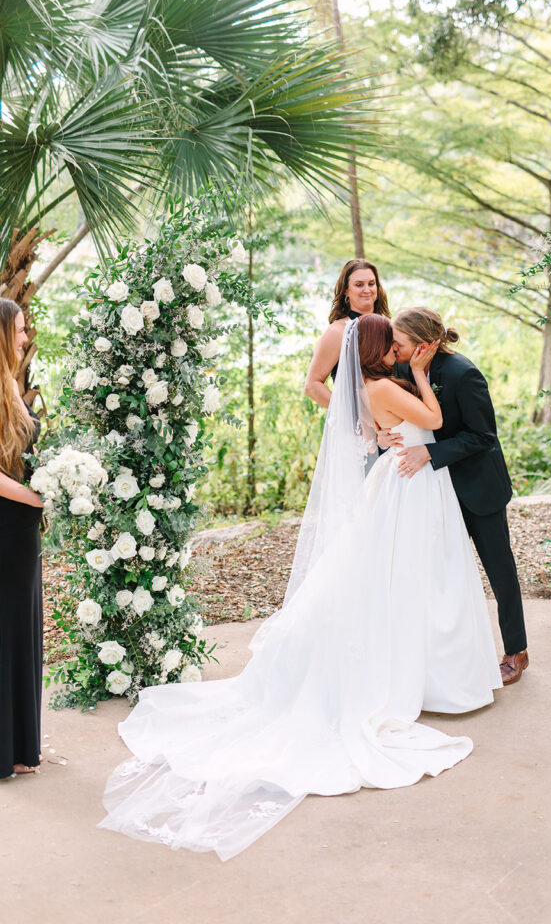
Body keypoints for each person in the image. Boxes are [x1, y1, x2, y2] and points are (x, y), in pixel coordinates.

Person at [99, 315, 501, 860]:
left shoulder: (362, 387)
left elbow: (370, 434)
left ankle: (423, 665)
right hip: (411, 488)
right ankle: (421, 670)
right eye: (397, 346)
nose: (404, 353)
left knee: (402, 579)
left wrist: (386, 432)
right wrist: (423, 378)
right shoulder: (383, 384)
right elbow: (429, 417)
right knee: (409, 580)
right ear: (384, 350)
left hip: (403, 484)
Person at [381, 307, 529, 685]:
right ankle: (451, 654)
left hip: (478, 487)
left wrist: (431, 452)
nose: (393, 349)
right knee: (444, 572)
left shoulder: (464, 374)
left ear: (425, 347)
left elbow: (484, 436)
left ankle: (517, 651)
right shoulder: (400, 369)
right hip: (435, 492)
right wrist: (382, 438)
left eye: (399, 344)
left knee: (499, 569)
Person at [0, 298, 44, 778]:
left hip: (21, 529)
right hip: (5, 524)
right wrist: (37, 497)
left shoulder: (11, 383)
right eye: (18, 330)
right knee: (4, 631)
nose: (24, 336)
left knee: (20, 628)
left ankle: (16, 747)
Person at [303, 258, 390, 408]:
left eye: (371, 283)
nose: (367, 290)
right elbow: (312, 386)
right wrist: (353, 418)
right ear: (346, 290)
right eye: (358, 285)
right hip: (357, 427)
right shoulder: (338, 332)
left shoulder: (389, 325)